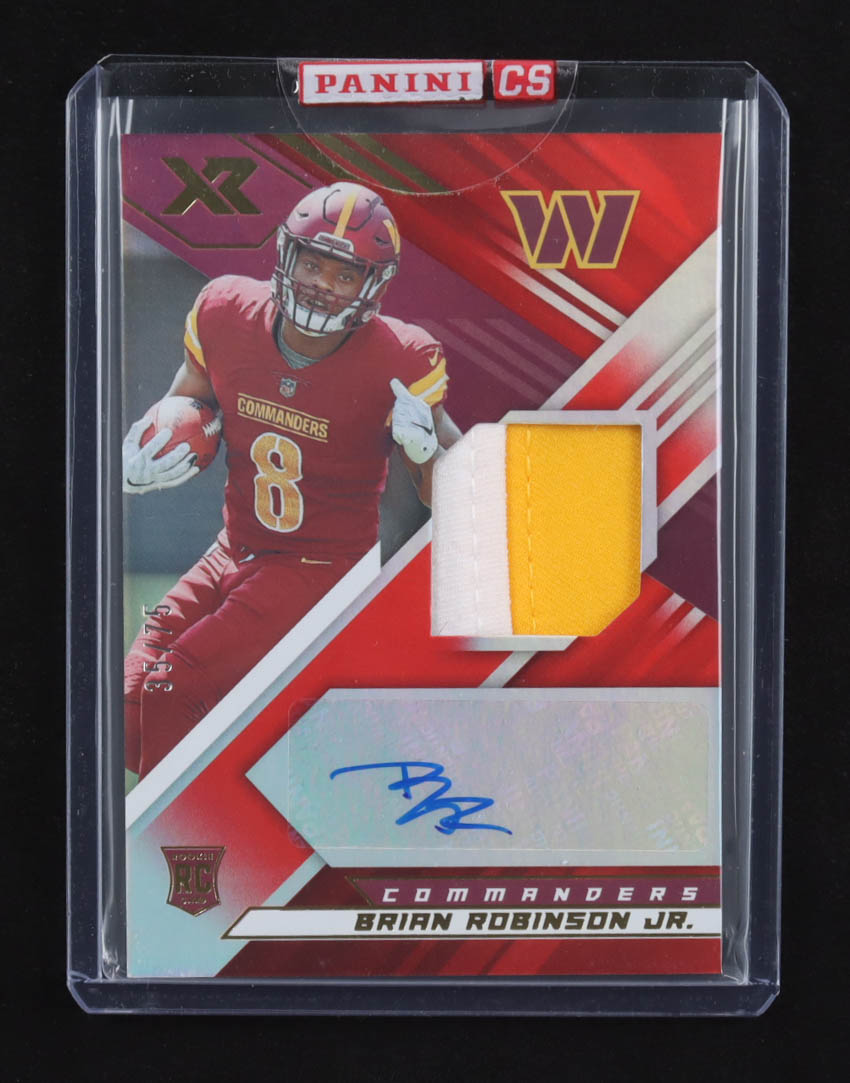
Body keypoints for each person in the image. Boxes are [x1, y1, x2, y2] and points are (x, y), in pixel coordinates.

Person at [122, 182, 460, 780]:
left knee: (176, 687)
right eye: (312, 264)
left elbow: (464, 499)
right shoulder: (225, 311)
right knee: (128, 703)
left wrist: (428, 452)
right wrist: (140, 456)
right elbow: (188, 408)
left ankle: (191, 837)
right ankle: (227, 796)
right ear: (285, 254)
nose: (322, 284)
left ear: (373, 285)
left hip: (321, 568)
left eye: (345, 275)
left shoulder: (401, 359)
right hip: (233, 548)